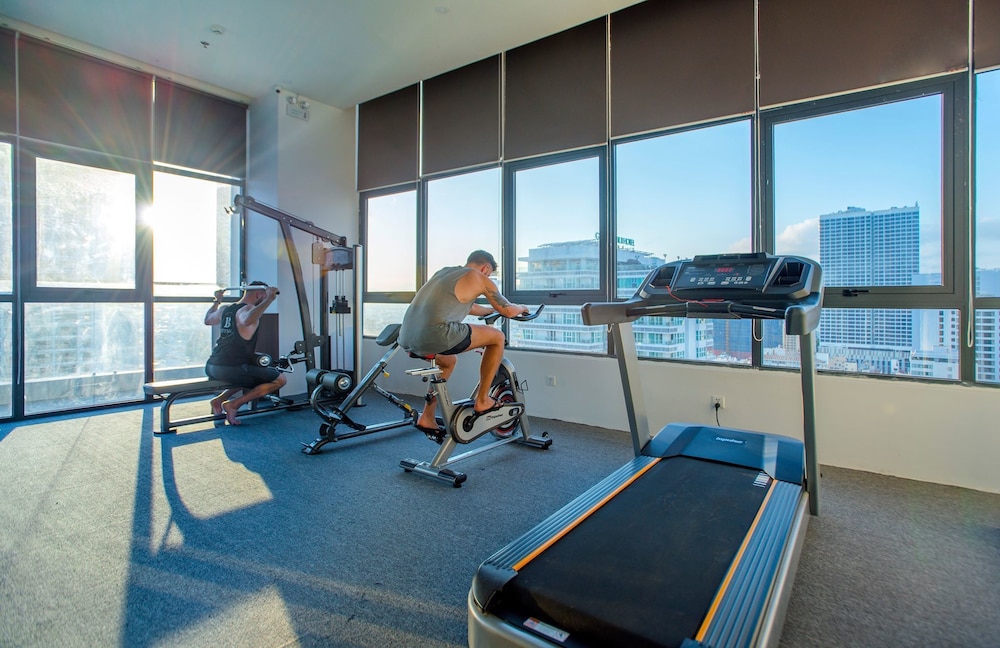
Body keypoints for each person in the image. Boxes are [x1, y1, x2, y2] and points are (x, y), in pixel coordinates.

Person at [398, 250, 528, 436]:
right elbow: (508, 310)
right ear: (485, 268)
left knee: (448, 361)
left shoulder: (445, 272)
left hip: (407, 336)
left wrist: (490, 310)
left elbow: (468, 306)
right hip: (437, 334)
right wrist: (523, 308)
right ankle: (483, 400)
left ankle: (427, 416)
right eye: (489, 274)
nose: (487, 277)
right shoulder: (478, 277)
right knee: (497, 337)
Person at [204, 281, 286, 425]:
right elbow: (246, 320)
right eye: (264, 295)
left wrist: (217, 301)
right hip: (231, 368)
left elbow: (208, 320)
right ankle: (233, 404)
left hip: (212, 366)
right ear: (259, 294)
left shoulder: (225, 309)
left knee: (249, 375)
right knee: (280, 380)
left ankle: (218, 400)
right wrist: (269, 300)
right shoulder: (247, 309)